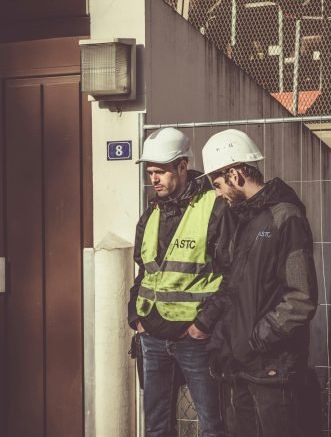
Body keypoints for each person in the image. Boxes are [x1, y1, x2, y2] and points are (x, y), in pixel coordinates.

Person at [201, 129, 318, 437]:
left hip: (272, 368)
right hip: (240, 364)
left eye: (218, 184)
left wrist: (257, 340)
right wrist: (225, 342)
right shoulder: (240, 219)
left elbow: (301, 298)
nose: (216, 193)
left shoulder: (285, 217)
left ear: (236, 174)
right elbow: (232, 286)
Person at [128, 127, 234, 437]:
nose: (154, 178)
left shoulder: (213, 208)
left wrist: (203, 324)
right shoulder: (151, 213)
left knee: (213, 426)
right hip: (152, 337)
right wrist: (136, 318)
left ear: (182, 167)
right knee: (156, 427)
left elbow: (231, 275)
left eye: (160, 171)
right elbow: (144, 271)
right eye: (151, 172)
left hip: (195, 339)